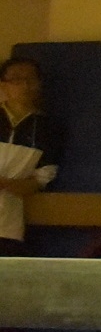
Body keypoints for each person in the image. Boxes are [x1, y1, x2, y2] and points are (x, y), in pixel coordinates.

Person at [0, 57, 62, 257]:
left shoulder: (48, 128)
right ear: (3, 85)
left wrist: (9, 184)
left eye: (31, 79)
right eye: (17, 80)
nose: (25, 86)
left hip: (8, 223)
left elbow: (43, 175)